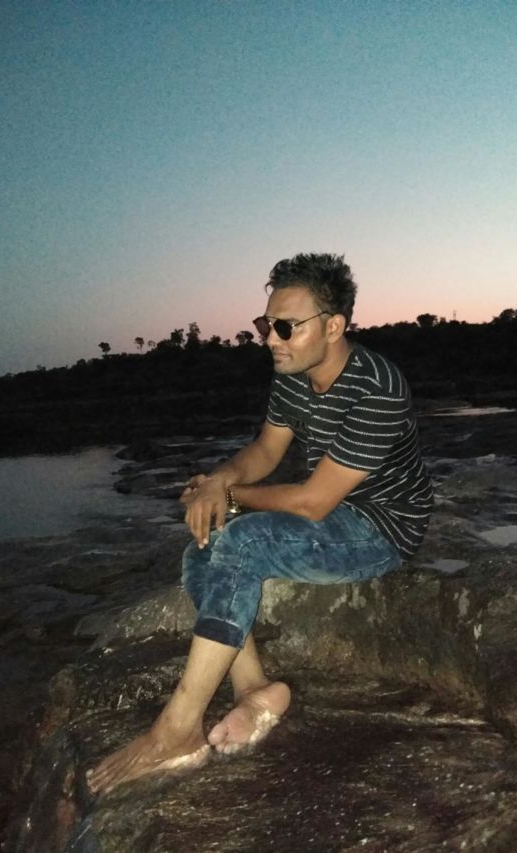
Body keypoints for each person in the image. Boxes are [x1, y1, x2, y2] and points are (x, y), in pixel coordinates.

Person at [88, 252, 433, 794]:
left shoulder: (377, 389)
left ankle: (178, 728)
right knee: (203, 545)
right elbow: (266, 451)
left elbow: (313, 502)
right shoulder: (294, 375)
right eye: (265, 325)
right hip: (334, 512)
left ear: (334, 326)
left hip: (382, 528)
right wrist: (219, 481)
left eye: (285, 327)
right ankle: (253, 687)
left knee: (243, 541)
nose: (271, 339)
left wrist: (229, 496)